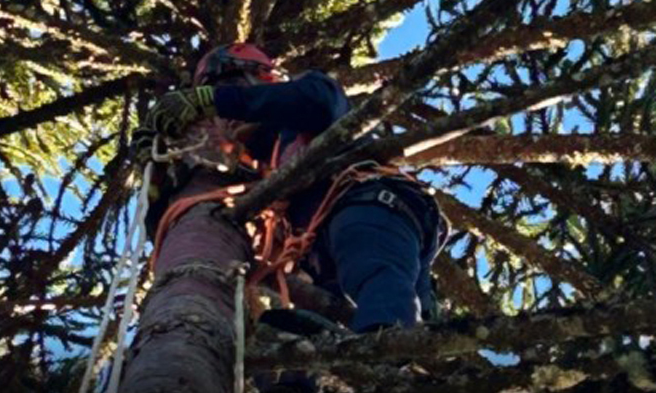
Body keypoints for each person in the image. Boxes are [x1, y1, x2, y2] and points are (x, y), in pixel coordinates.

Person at [132, 43, 447, 334]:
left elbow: (317, 102)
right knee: (295, 330)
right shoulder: (259, 168)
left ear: (265, 78)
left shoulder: (309, 95)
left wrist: (214, 100)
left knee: (374, 280)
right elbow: (187, 221)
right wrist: (160, 171)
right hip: (328, 255)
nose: (225, 118)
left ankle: (388, 347)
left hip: (366, 205)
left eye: (230, 88)